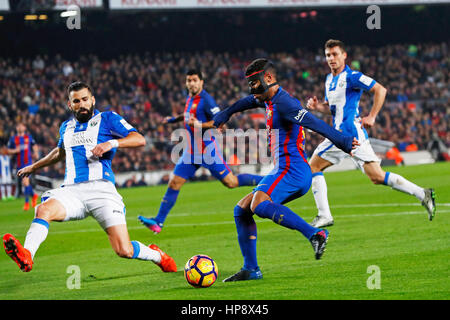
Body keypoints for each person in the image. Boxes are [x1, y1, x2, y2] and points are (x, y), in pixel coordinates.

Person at [2, 81, 177, 273]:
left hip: (101, 191)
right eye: (76, 101)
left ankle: (158, 256)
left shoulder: (108, 118)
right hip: (71, 191)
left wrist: (111, 143)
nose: (81, 104)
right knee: (43, 209)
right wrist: (34, 166)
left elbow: (139, 138)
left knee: (124, 250)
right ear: (70, 105)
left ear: (92, 100)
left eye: (85, 99)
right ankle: (27, 255)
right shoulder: (66, 127)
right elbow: (60, 152)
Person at [212, 58, 359, 282]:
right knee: (241, 210)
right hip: (283, 169)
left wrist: (343, 141)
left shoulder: (285, 103)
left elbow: (314, 123)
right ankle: (251, 269)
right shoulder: (269, 99)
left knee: (258, 204)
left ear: (268, 78)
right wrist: (227, 112)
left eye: (254, 83)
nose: (252, 90)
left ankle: (315, 233)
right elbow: (247, 102)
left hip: (294, 170)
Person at [307, 39, 436, 228]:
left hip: (347, 133)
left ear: (344, 55)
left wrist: (372, 116)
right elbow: (333, 109)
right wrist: (317, 107)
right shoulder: (329, 80)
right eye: (328, 55)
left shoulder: (352, 76)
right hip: (346, 134)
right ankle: (422, 193)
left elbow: (380, 90)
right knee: (376, 176)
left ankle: (324, 215)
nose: (331, 58)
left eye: (335, 54)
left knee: (313, 167)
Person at [138, 69, 263, 234]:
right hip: (190, 152)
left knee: (231, 182)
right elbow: (187, 115)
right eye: (188, 80)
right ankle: (158, 222)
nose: (191, 83)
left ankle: (268, 181)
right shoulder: (190, 97)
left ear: (201, 82)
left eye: (194, 80)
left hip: (207, 150)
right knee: (174, 182)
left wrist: (200, 125)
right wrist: (173, 119)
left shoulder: (207, 100)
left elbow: (218, 121)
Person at [7, 123, 39, 210]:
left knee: (25, 182)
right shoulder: (13, 139)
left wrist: (36, 153)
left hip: (27, 163)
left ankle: (26, 203)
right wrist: (15, 150)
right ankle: (34, 195)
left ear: (24, 127)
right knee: (26, 183)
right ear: (16, 128)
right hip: (19, 164)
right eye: (18, 126)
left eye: (21, 126)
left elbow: (34, 145)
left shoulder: (28, 137)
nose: (20, 127)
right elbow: (8, 150)